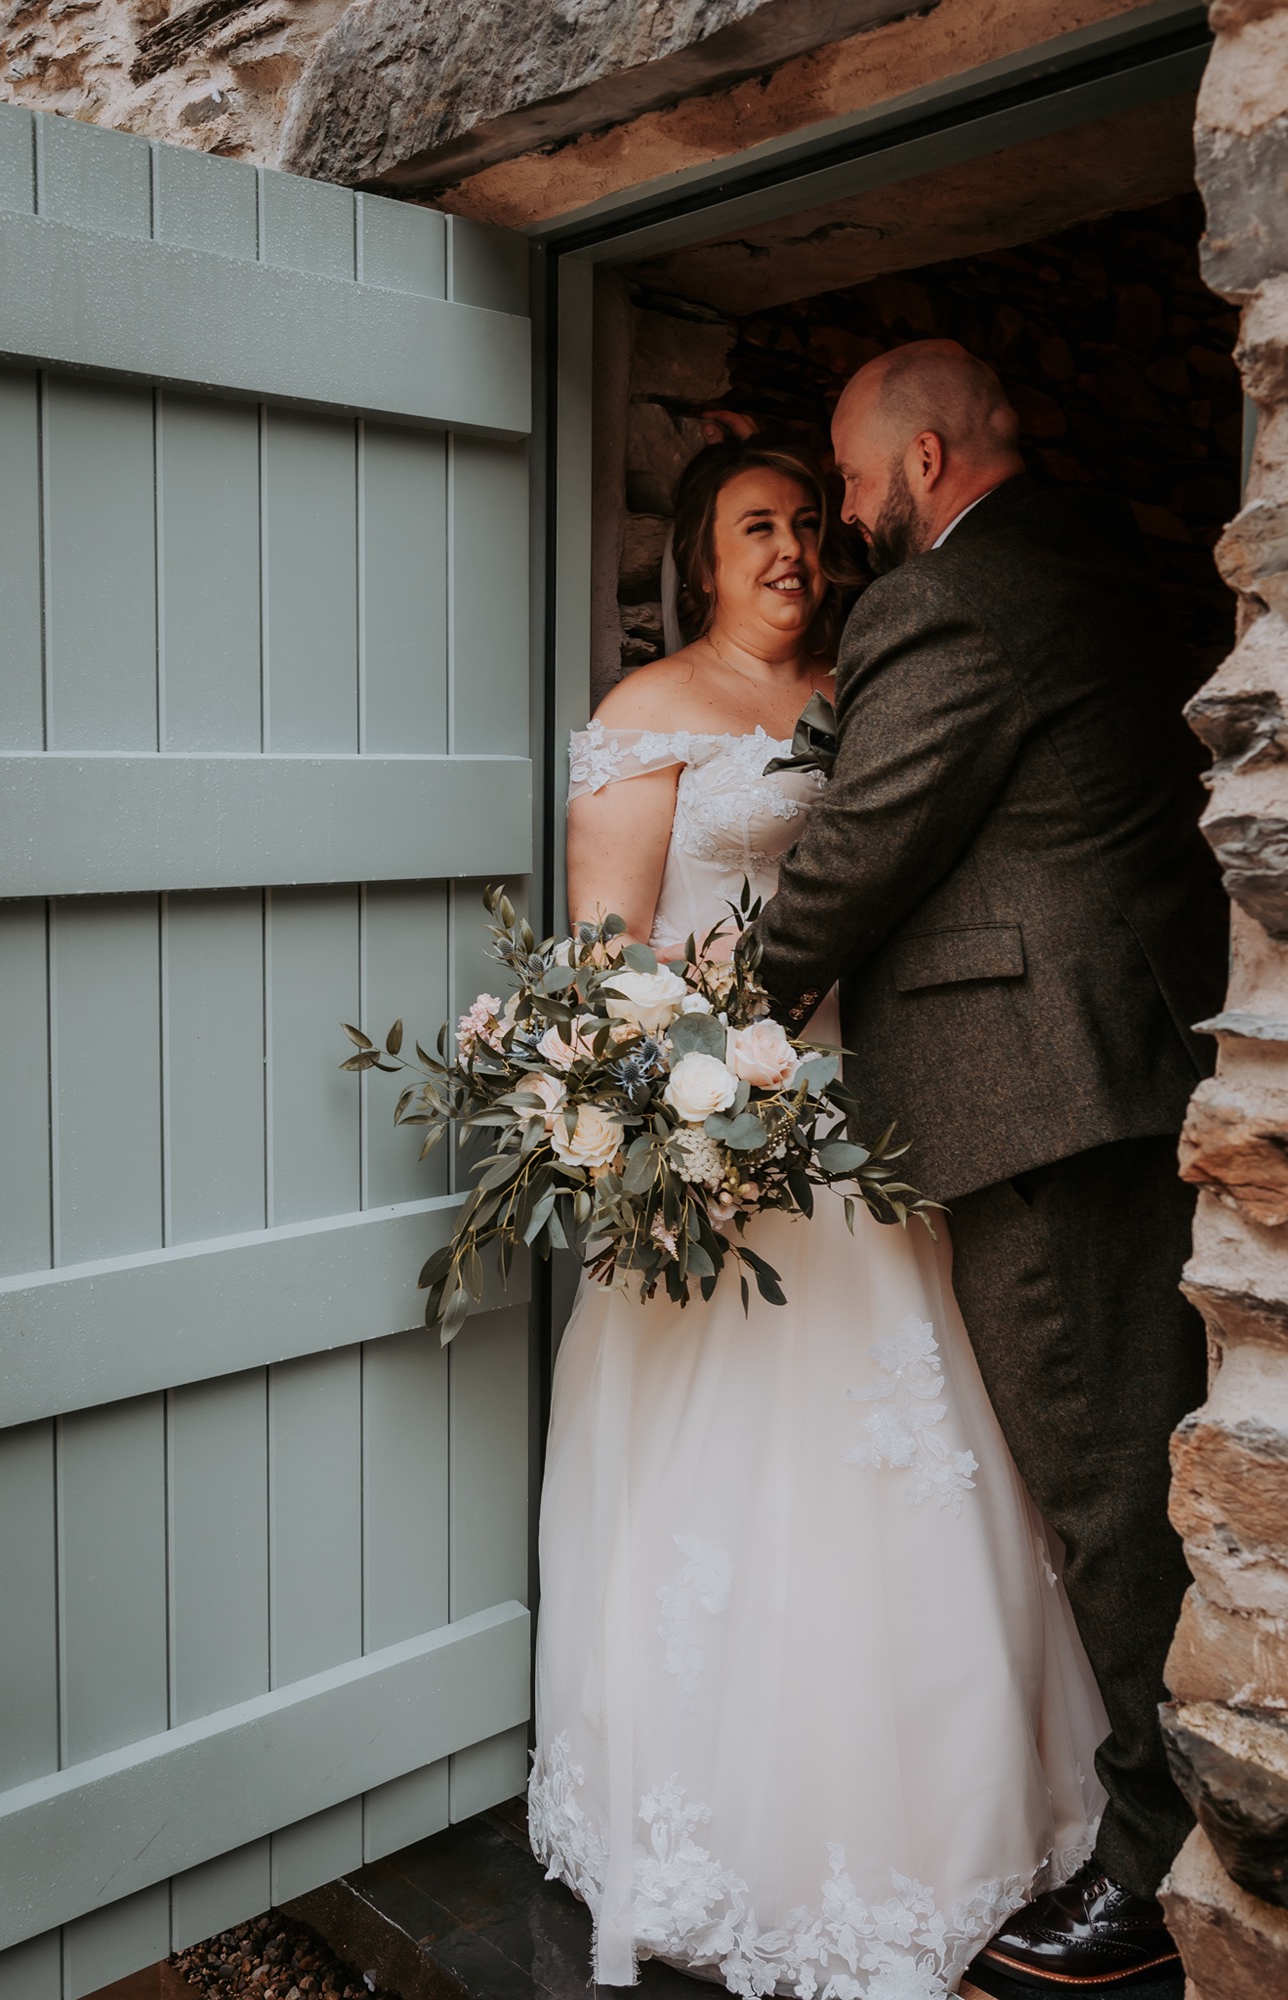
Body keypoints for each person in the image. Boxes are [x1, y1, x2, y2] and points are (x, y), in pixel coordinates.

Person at [529, 435, 1112, 1999]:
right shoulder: (647, 716)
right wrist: (670, 1108)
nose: (791, 549)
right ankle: (731, 1821)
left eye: (805, 520)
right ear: (697, 559)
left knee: (918, 1465)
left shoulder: (866, 691)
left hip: (867, 1122)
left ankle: (944, 1813)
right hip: (725, 1143)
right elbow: (604, 956)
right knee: (729, 1487)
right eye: (754, 528)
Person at [752, 342, 1228, 1989]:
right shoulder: (1087, 553)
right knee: (1128, 1471)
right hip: (1111, 1066)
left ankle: (1156, 1883)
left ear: (929, 457)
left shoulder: (953, 598)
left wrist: (707, 1017)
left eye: (854, 474)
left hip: (1038, 1095)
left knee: (1105, 1494)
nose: (843, 509)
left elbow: (867, 840)